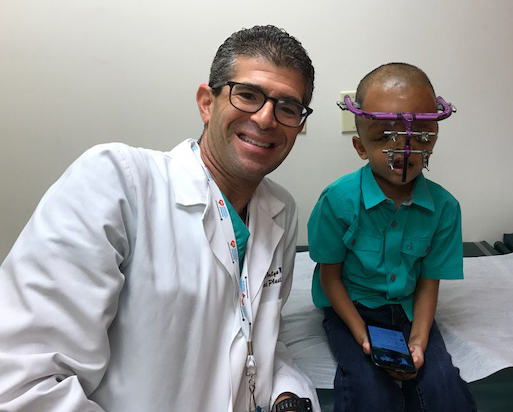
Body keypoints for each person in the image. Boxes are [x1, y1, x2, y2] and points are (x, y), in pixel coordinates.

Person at [0, 25, 319, 412]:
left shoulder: (280, 211)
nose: (267, 118)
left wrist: (286, 392)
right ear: (206, 103)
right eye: (248, 95)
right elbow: (23, 384)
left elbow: (260, 337)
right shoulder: (118, 181)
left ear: (299, 125)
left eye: (287, 107)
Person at [308, 63, 476, 411]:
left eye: (420, 135)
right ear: (359, 146)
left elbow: (429, 281)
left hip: (409, 308)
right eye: (385, 135)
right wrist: (361, 335)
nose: (404, 149)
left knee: (442, 388)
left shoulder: (444, 208)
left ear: (434, 135)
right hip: (350, 307)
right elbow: (330, 277)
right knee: (368, 390)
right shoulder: (336, 201)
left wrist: (419, 337)